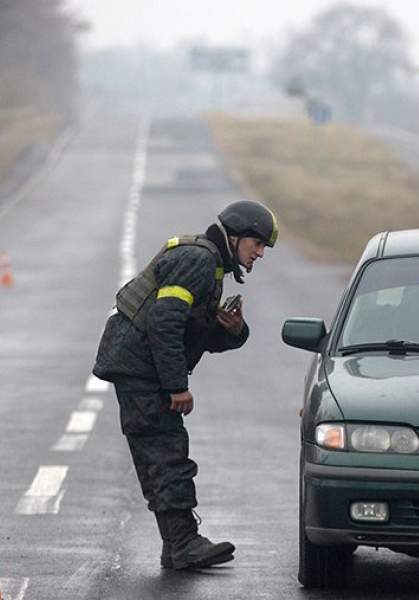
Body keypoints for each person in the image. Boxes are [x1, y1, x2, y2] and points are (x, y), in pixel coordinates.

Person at [92, 200, 278, 570]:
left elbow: (194, 334)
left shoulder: (211, 264)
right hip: (140, 367)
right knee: (165, 450)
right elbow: (164, 323)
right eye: (257, 243)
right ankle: (183, 543)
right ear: (236, 236)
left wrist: (234, 331)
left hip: (140, 365)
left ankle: (176, 545)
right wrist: (177, 386)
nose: (260, 253)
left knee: (160, 450)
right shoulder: (199, 260)